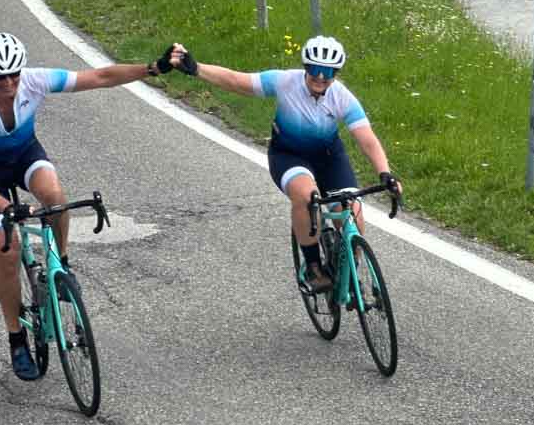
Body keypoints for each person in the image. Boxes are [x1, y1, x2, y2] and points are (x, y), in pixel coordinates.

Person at [0, 32, 176, 381]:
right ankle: (16, 337)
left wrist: (153, 68)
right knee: (7, 253)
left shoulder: (35, 81)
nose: (10, 83)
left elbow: (100, 77)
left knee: (55, 199)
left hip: (25, 155)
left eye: (15, 74)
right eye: (0, 77)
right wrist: (5, 207)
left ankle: (62, 264)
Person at [169, 36, 401, 293]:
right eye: (315, 70)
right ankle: (314, 267)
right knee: (305, 196)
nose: (321, 78)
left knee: (350, 210)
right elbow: (237, 81)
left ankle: (350, 263)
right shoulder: (283, 81)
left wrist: (385, 173)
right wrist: (196, 68)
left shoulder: (342, 97)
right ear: (306, 68)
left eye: (328, 73)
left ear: (336, 74)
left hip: (329, 157)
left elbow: (367, 139)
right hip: (289, 155)